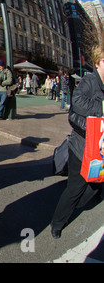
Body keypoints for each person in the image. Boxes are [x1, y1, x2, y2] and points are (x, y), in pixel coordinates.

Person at [51, 45, 104, 239]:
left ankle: (79, 205)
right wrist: (102, 108)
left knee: (95, 185)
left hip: (100, 149)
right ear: (98, 63)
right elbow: (77, 105)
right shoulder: (89, 81)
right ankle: (57, 222)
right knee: (75, 188)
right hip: (81, 146)